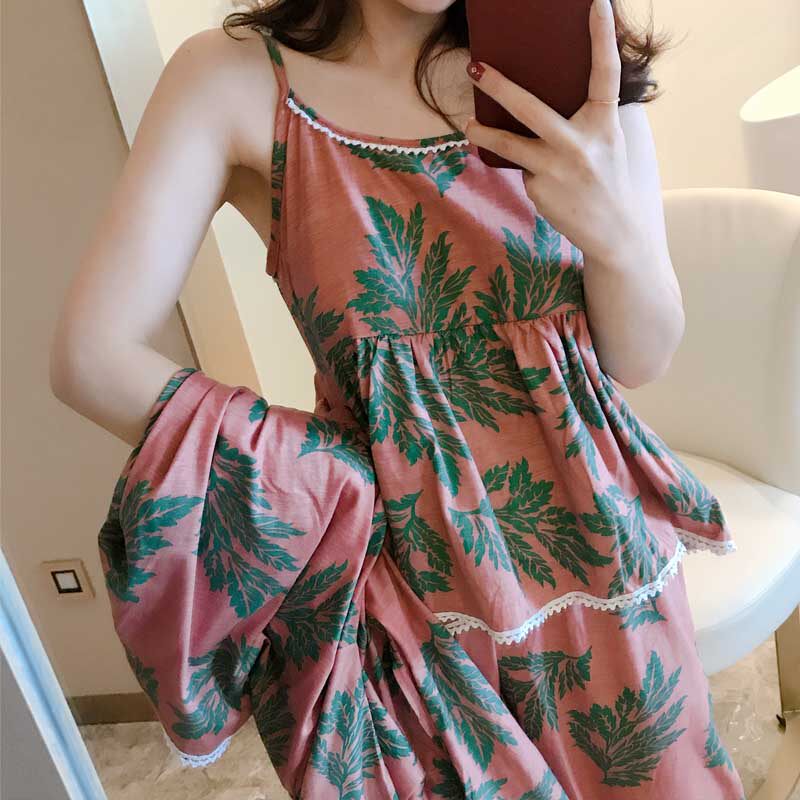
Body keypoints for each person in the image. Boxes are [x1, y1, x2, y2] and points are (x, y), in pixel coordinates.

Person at [50, 1, 747, 797]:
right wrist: (322, 488)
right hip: (411, 603)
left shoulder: (571, 50)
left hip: (603, 564)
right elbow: (89, 359)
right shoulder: (234, 80)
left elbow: (641, 357)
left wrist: (615, 236)